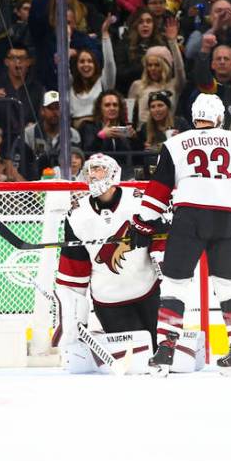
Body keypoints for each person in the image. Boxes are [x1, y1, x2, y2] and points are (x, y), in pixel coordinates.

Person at [132, 94, 231, 376]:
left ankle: (165, 351)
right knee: (229, 285)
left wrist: (144, 222)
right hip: (229, 216)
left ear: (194, 117)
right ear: (218, 118)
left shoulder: (175, 143)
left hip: (190, 215)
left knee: (175, 285)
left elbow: (158, 190)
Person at [52, 153, 163, 373]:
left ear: (113, 173)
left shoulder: (137, 201)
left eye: (99, 169)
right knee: (138, 365)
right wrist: (74, 314)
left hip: (148, 291)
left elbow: (163, 231)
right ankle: (99, 339)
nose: (94, 175)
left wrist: (153, 238)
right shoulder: (77, 215)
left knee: (160, 355)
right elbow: (75, 269)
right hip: (109, 300)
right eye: (90, 170)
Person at [12, 91, 82, 180]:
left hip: (65, 186)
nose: (54, 112)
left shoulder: (73, 135)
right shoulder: (28, 134)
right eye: (50, 108)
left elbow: (79, 165)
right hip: (33, 187)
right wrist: (29, 191)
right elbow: (16, 168)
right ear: (42, 111)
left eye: (57, 108)